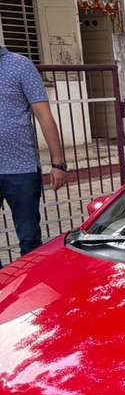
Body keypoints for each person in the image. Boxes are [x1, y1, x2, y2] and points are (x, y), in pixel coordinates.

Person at [0, 45, 66, 256]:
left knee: (29, 239)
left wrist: (58, 163)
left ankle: (28, 286)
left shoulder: (20, 65)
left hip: (21, 168)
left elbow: (43, 115)